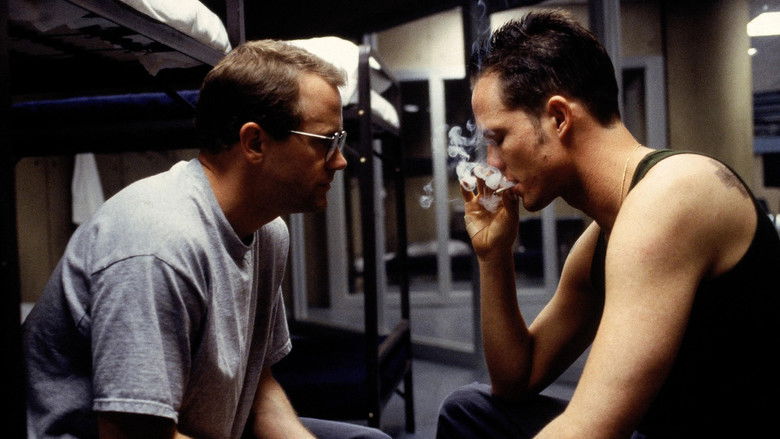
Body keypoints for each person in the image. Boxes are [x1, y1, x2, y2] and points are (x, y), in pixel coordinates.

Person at [437, 10, 779, 439]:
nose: (492, 164)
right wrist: (494, 256)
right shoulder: (602, 238)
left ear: (558, 118)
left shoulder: (674, 193)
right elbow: (516, 379)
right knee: (468, 411)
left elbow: (591, 430)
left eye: (498, 138)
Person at [24, 40, 390, 439]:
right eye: (325, 142)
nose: (341, 160)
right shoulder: (157, 244)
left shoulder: (269, 231)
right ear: (255, 143)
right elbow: (133, 435)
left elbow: (258, 385)